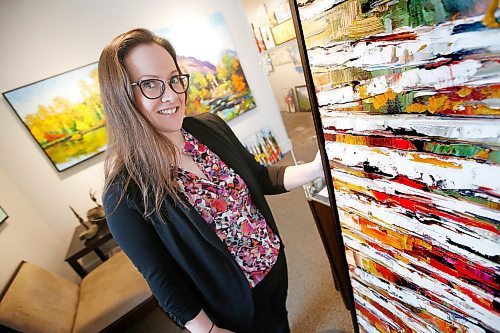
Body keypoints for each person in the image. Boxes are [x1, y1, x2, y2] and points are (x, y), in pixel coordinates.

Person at [98, 28, 323, 333]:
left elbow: (259, 177)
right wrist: (207, 330)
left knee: (280, 325)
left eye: (174, 79)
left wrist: (314, 168)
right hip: (231, 307)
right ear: (121, 96)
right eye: (150, 84)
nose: (172, 95)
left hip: (272, 263)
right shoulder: (124, 193)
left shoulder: (209, 128)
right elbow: (161, 277)